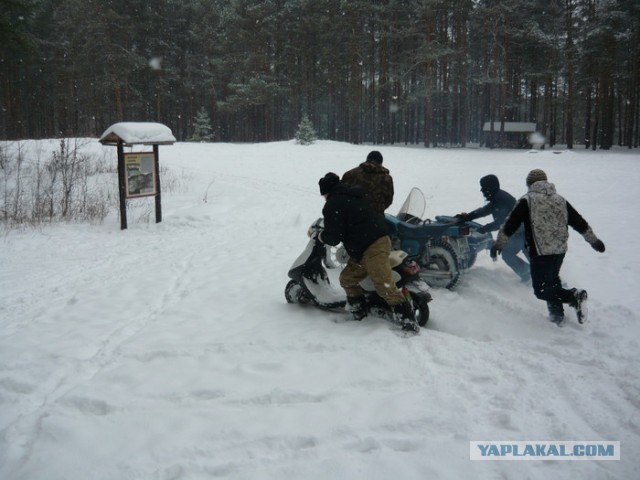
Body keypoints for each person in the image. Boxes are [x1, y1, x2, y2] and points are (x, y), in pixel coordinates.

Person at [491, 169, 606, 327]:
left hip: (540, 252)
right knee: (552, 282)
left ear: (529, 184)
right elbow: (579, 222)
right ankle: (556, 317)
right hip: (559, 250)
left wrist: (499, 244)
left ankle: (574, 296)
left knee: (541, 290)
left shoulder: (527, 201)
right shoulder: (560, 200)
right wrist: (593, 241)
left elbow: (510, 225)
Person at [316, 172, 418, 332]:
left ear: (326, 192)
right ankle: (360, 313)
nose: (324, 198)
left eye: (323, 195)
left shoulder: (334, 203)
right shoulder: (354, 195)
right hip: (368, 245)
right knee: (347, 278)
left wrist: (321, 236)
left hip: (373, 245)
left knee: (384, 285)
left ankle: (410, 323)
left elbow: (333, 238)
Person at [455, 174, 530, 283]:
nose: (481, 190)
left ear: (490, 188)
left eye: (483, 187)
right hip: (517, 233)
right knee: (509, 254)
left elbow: (500, 223)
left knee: (534, 260)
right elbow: (485, 210)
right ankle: (528, 274)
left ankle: (546, 281)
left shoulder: (502, 199)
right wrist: (468, 216)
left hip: (524, 233)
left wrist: (484, 229)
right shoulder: (498, 197)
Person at [341, 150, 394, 216]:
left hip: (352, 218)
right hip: (376, 220)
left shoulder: (350, 174)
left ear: (367, 160)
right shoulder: (386, 178)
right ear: (381, 163)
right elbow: (388, 200)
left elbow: (341, 195)